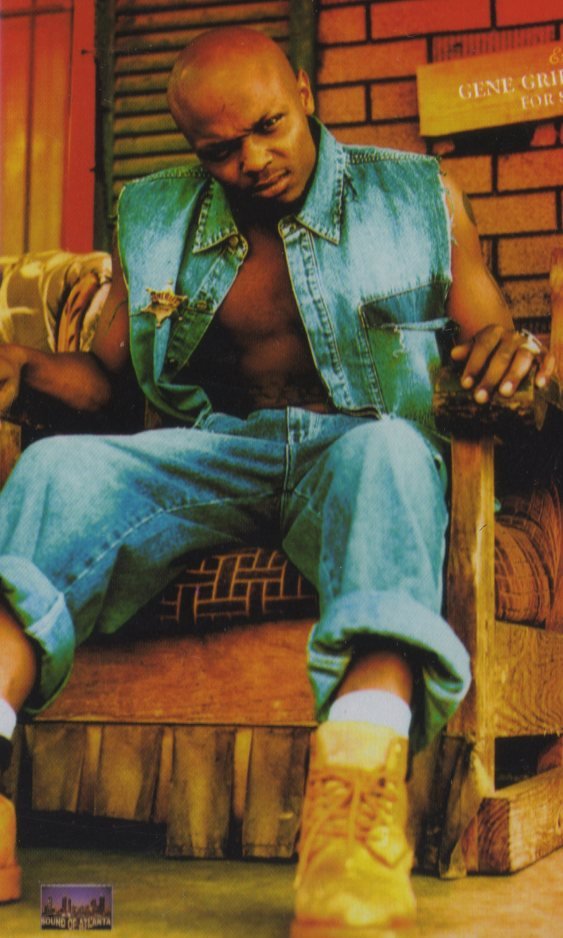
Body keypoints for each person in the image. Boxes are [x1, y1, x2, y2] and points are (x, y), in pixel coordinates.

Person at [0, 25, 555, 934]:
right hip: (216, 450)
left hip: (361, 445)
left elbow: (498, 362)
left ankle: (354, 818)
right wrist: (24, 366)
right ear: (192, 146)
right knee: (56, 469)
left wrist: (513, 361)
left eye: (268, 128)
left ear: (303, 91)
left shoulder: (417, 198)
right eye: (219, 150)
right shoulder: (153, 217)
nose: (252, 161)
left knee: (387, 451)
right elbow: (109, 384)